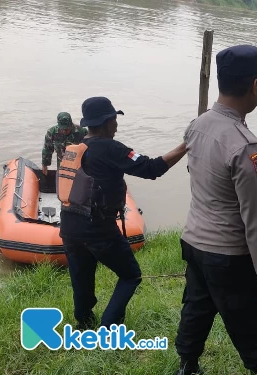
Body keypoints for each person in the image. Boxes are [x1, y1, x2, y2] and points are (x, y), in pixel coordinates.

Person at [176, 45, 257, 375]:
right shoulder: (245, 145)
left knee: (196, 307)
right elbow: (256, 219)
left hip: (194, 242)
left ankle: (187, 365)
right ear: (255, 85)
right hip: (228, 255)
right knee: (246, 323)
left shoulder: (197, 125)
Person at [59, 97, 187, 330]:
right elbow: (151, 169)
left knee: (81, 276)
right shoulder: (111, 148)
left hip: (69, 226)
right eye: (115, 119)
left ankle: (84, 322)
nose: (117, 125)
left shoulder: (75, 148)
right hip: (98, 228)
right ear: (107, 122)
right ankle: (109, 326)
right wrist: (185, 146)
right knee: (130, 275)